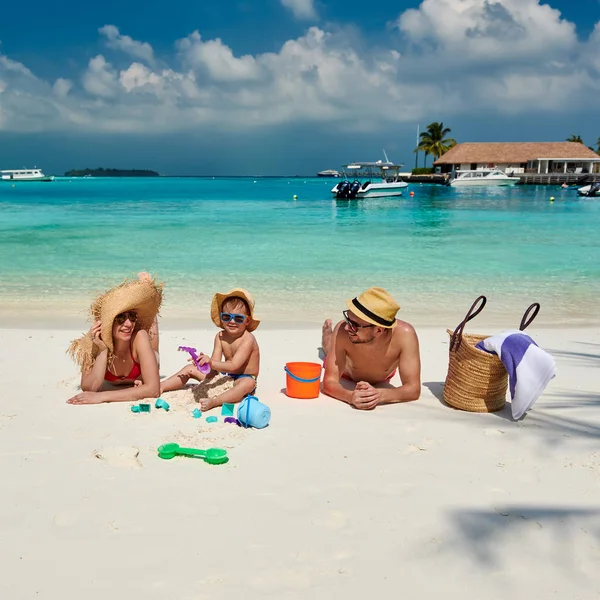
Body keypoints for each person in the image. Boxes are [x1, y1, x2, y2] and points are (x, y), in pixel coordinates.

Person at [66, 273, 162, 405]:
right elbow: (89, 388)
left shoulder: (139, 336)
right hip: (111, 345)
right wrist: (102, 351)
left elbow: (153, 390)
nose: (128, 324)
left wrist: (103, 397)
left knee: (152, 345)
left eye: (132, 316)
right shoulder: (94, 342)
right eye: (121, 318)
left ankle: (147, 285)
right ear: (109, 322)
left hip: (144, 351)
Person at [160, 288, 260, 412]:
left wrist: (212, 363)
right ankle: (161, 386)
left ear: (247, 320)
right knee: (189, 369)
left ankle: (215, 401)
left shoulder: (248, 339)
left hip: (243, 377)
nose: (232, 321)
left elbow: (234, 366)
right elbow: (214, 365)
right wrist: (203, 363)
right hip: (224, 375)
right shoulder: (220, 336)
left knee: (247, 384)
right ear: (221, 318)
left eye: (238, 318)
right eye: (226, 317)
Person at [321, 287, 421, 410]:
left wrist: (378, 395)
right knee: (329, 349)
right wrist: (350, 396)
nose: (347, 327)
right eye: (348, 319)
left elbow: (413, 389)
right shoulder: (342, 330)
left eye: (354, 325)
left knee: (332, 346)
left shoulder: (405, 335)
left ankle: (329, 339)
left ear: (379, 330)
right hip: (346, 371)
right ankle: (327, 336)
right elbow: (329, 382)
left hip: (382, 375)